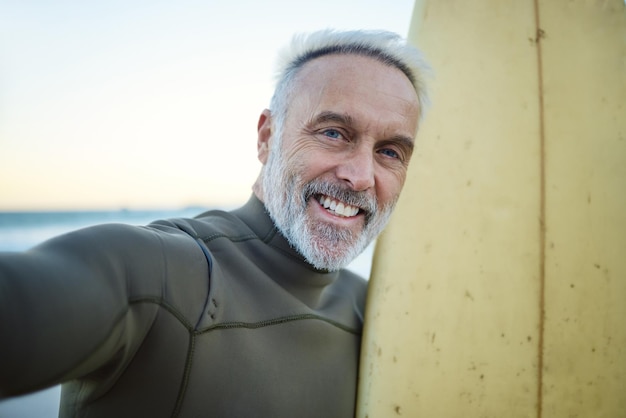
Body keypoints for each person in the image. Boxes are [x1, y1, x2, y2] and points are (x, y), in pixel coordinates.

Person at [0, 29, 430, 417]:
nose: (360, 176)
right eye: (334, 133)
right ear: (266, 137)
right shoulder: (160, 272)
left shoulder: (377, 313)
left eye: (390, 152)